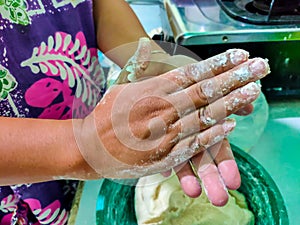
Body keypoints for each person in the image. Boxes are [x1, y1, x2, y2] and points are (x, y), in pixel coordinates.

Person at [0, 0, 270, 224]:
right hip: (21, 182)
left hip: (96, 120)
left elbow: (93, 5)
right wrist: (83, 145)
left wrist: (150, 59)